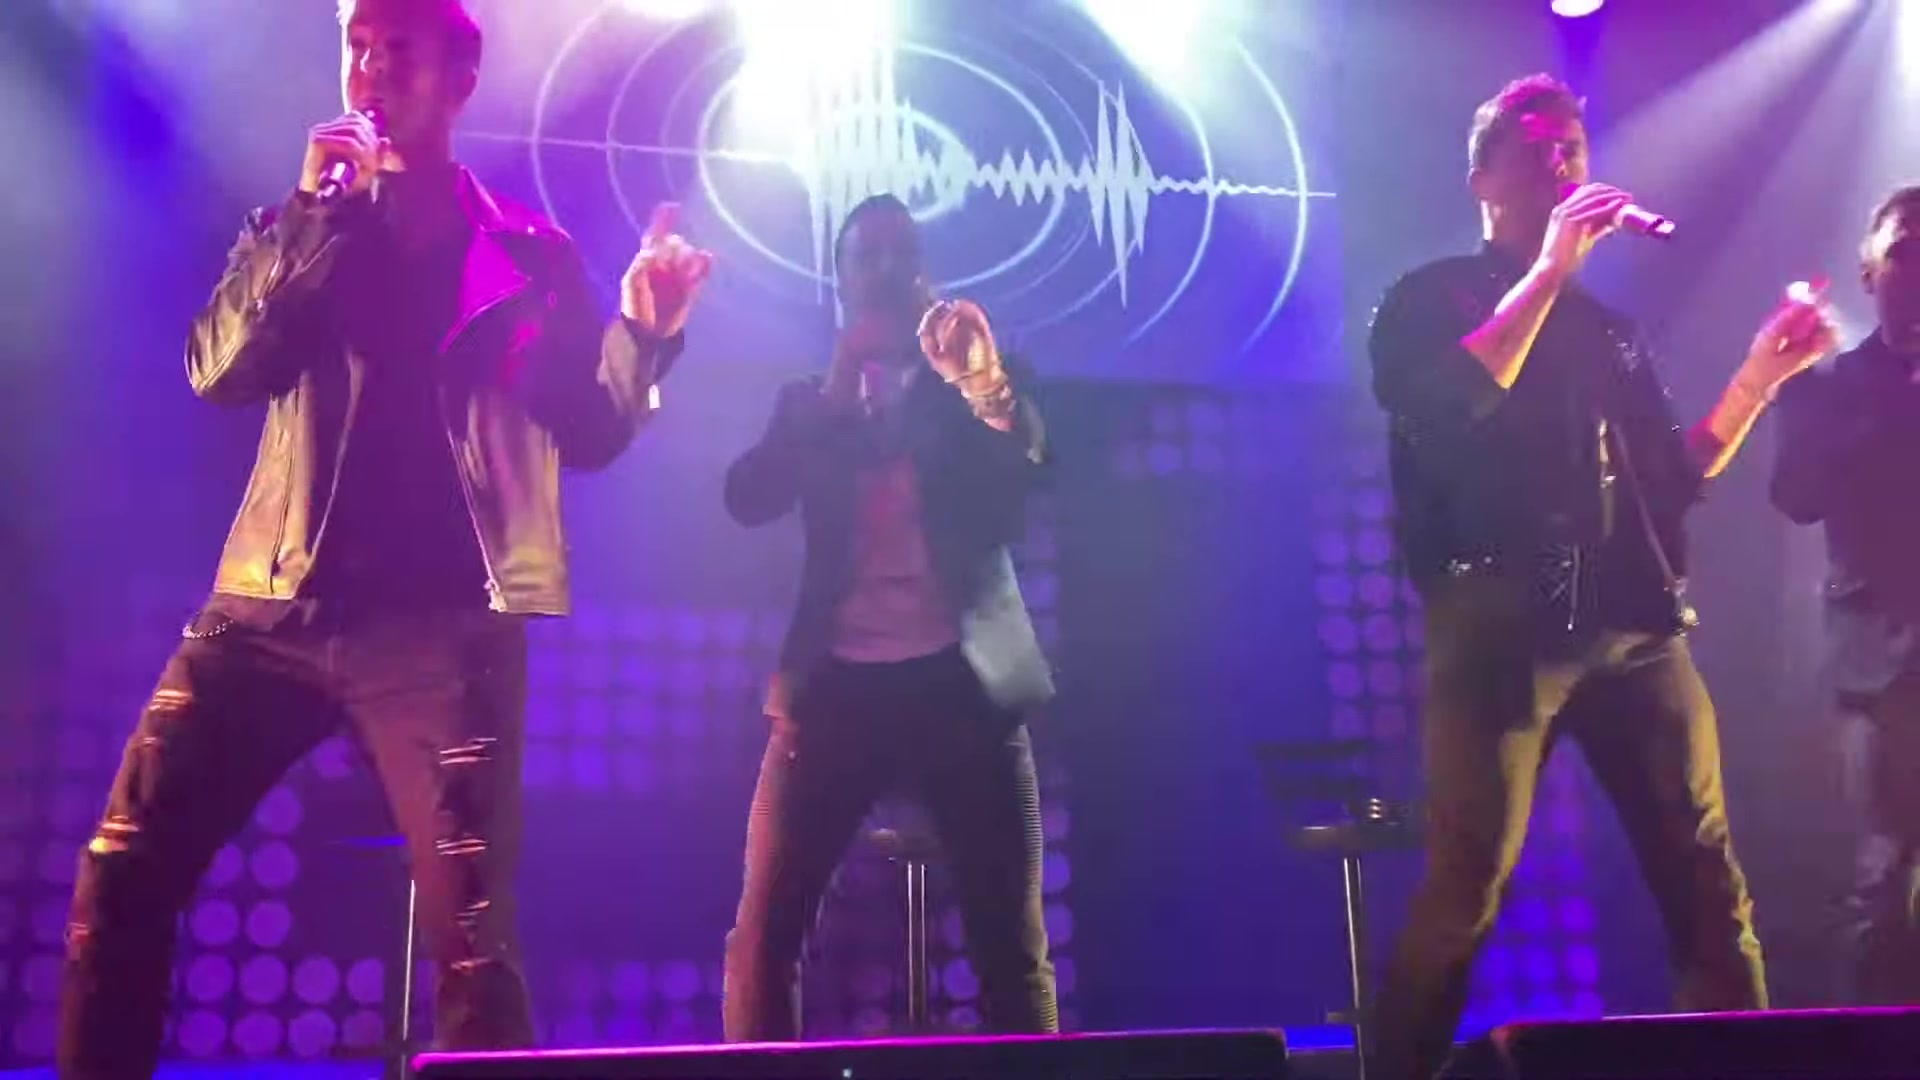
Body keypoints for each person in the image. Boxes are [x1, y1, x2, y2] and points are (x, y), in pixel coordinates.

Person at [57, 0, 714, 1073]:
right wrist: (314, 222)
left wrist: (645, 332)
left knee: (474, 947)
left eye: (396, 51)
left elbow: (591, 433)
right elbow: (219, 372)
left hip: (443, 629)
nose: (368, 72)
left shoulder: (530, 254)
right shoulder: (293, 226)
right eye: (355, 48)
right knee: (121, 872)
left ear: (459, 79)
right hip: (269, 609)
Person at [1364, 73, 1838, 1079]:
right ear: (1483, 177)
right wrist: (1547, 268)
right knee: (1467, 889)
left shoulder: (1608, 330)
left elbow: (1676, 478)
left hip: (1630, 621)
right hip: (1500, 621)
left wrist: (1760, 375)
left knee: (1706, 876)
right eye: (1538, 146)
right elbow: (1449, 408)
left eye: (1574, 148)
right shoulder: (1428, 299)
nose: (1563, 162)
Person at [719, 193, 1057, 1040]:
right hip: (838, 689)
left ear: (924, 275)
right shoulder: (811, 402)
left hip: (962, 684)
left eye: (899, 252)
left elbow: (1033, 472)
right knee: (763, 938)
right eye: (864, 255)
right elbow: (747, 498)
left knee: (1011, 950)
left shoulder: (974, 382)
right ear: (838, 281)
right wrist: (838, 388)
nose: (884, 269)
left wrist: (983, 385)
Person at [1770, 184, 1920, 1005]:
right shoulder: (1828, 383)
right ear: (1869, 272)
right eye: (1905, 251)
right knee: (1886, 875)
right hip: (1882, 666)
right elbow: (1796, 495)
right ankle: (1868, 1049)